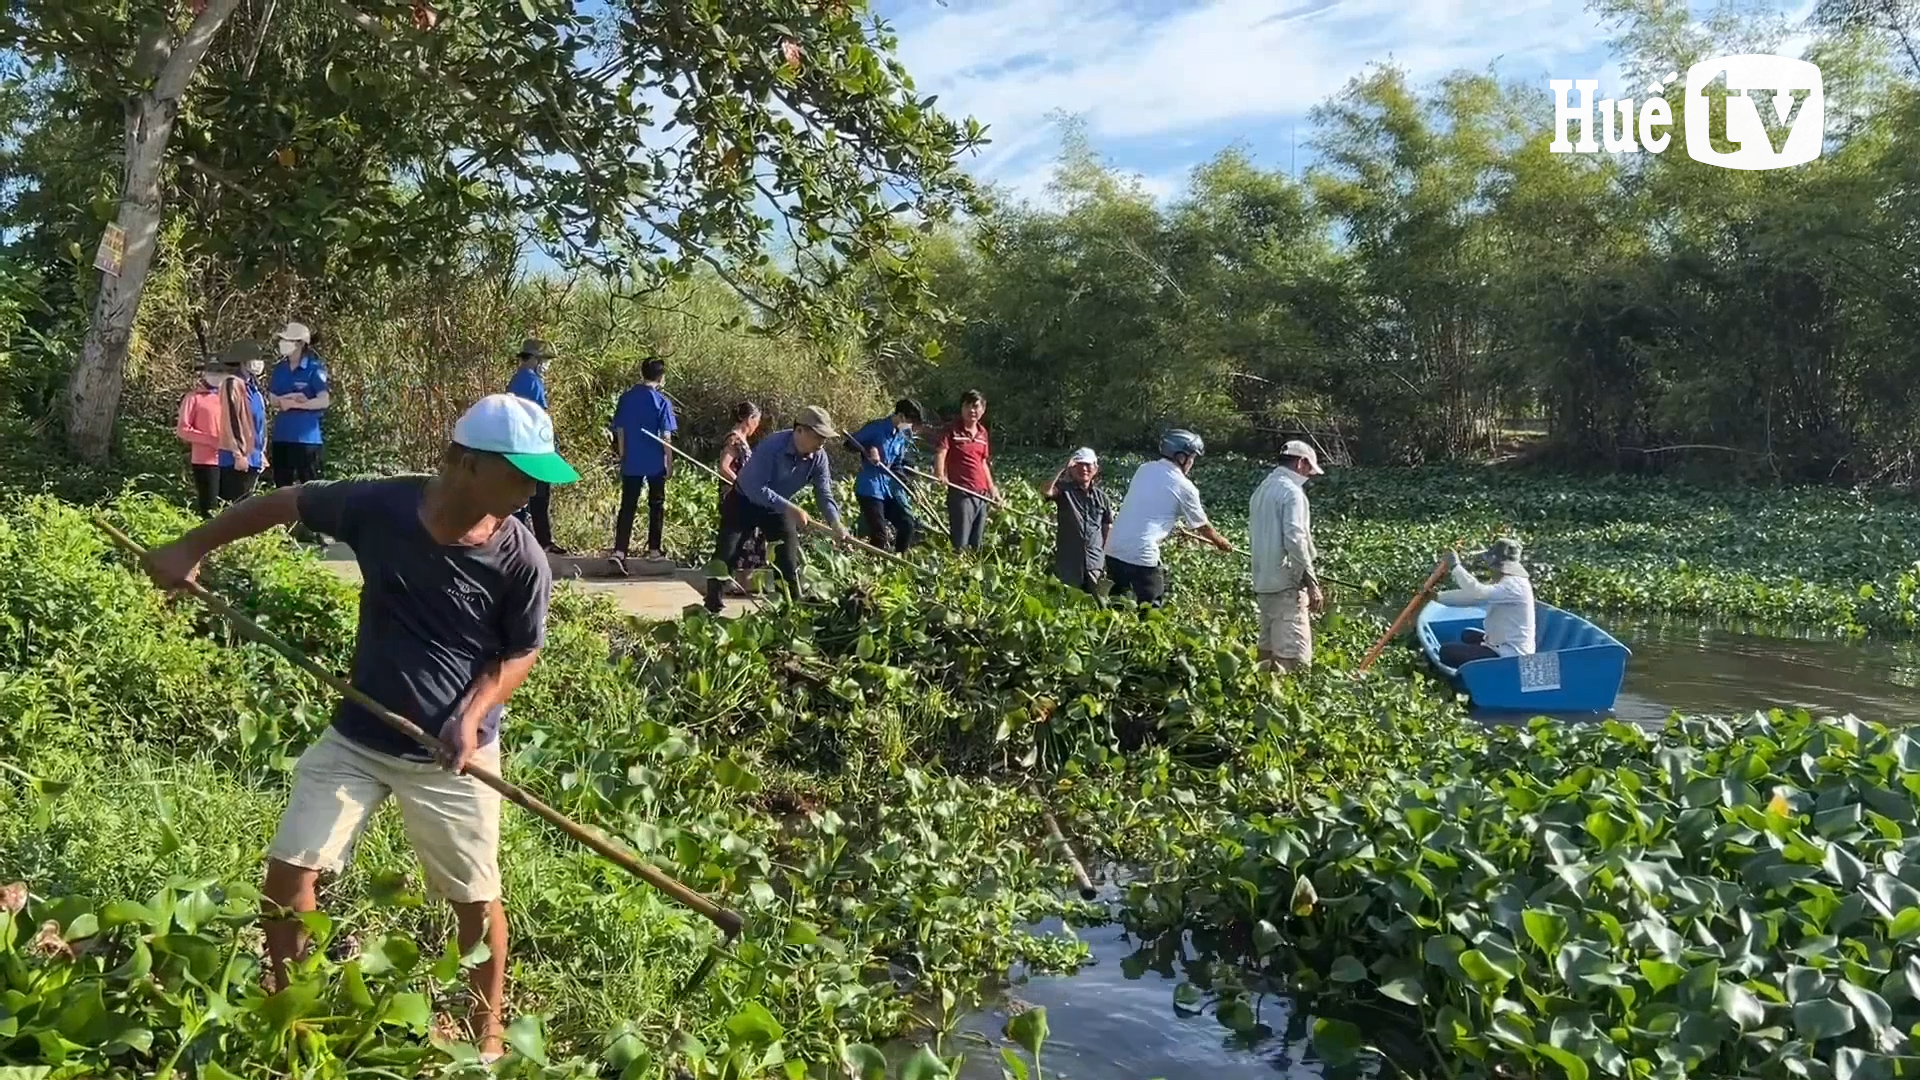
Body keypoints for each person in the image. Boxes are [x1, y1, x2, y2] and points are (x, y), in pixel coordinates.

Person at [137, 393, 578, 1062]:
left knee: (474, 897)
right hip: (358, 740)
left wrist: (471, 716)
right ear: (465, 463)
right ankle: (291, 1007)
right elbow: (282, 502)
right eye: (519, 473)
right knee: (291, 869)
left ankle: (487, 1033)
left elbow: (521, 652)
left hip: (454, 756)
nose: (531, 488)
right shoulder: (380, 506)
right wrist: (191, 546)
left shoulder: (521, 559)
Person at [705, 406, 850, 613]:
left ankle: (788, 612)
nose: (822, 443)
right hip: (745, 500)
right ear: (800, 431)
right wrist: (791, 508)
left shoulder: (819, 457)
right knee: (727, 553)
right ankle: (712, 606)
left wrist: (835, 523)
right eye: (818, 436)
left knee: (787, 560)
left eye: (824, 438)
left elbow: (824, 493)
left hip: (776, 507)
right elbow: (757, 489)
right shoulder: (773, 447)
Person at [1105, 430, 1234, 607]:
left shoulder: (1144, 469)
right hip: (1141, 554)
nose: (1192, 463)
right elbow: (1202, 525)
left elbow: (1149, 504)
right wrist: (1220, 542)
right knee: (1150, 609)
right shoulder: (1185, 486)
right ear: (1181, 457)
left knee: (1118, 602)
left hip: (1113, 548)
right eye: (1192, 458)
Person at [1249, 440, 1328, 672]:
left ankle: (1262, 699)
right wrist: (1311, 583)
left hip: (1263, 583)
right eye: (1309, 470)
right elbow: (1295, 539)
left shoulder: (1262, 490)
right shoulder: (1292, 493)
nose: (1309, 476)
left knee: (1266, 653)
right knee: (1293, 658)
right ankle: (1283, 703)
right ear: (1301, 462)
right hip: (1286, 586)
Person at [609, 357, 675, 567]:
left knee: (627, 505)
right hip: (655, 460)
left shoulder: (626, 398)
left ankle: (620, 550)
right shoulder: (662, 402)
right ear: (661, 377)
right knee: (656, 504)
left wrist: (622, 454)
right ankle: (654, 549)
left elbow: (620, 430)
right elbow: (666, 437)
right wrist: (669, 462)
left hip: (632, 458)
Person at [1431, 539, 1537, 667]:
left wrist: (1456, 567)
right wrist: (1438, 597)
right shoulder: (1508, 582)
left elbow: (1477, 593)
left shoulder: (1512, 585)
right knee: (1467, 634)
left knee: (1446, 651)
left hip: (1510, 655)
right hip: (1503, 644)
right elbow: (1474, 597)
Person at [506, 339, 566, 554]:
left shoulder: (515, 380)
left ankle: (525, 540)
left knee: (523, 495)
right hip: (534, 447)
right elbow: (539, 416)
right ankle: (541, 542)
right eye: (544, 360)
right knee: (538, 496)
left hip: (519, 445)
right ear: (534, 359)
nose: (546, 365)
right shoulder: (532, 381)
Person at [847, 398, 925, 554]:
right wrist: (868, 450)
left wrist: (910, 487)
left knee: (907, 524)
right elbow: (849, 443)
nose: (910, 427)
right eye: (910, 422)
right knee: (880, 535)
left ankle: (898, 561)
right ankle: (872, 567)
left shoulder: (901, 436)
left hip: (887, 490)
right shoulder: (876, 428)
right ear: (901, 417)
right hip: (869, 489)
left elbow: (896, 466)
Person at [267, 321, 330, 488]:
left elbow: (324, 400)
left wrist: (298, 405)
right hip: (282, 437)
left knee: (313, 488)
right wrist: (290, 398)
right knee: (282, 487)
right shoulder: (280, 369)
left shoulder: (314, 368)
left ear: (301, 344)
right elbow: (272, 399)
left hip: (307, 440)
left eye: (288, 341)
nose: (283, 345)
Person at [1043, 447, 1114, 593]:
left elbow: (1107, 527)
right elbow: (1045, 490)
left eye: (1088, 465)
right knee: (1069, 602)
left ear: (1095, 469)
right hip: (1069, 563)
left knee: (1095, 605)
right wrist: (1061, 468)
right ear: (1071, 469)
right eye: (1079, 465)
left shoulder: (1102, 498)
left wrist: (1103, 554)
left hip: (1094, 562)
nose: (1084, 469)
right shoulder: (1063, 491)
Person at [933, 389, 998, 550]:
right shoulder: (951, 430)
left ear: (983, 409)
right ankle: (957, 570)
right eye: (968, 406)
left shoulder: (983, 433)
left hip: (981, 494)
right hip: (961, 493)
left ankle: (972, 572)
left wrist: (992, 489)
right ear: (961, 408)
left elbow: (983, 462)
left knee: (976, 543)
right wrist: (940, 474)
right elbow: (941, 452)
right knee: (960, 541)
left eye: (976, 406)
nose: (972, 410)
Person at [716, 401, 767, 594]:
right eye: (757, 421)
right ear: (749, 419)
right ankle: (726, 580)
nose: (757, 426)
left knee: (751, 537)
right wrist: (740, 482)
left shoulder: (744, 441)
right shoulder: (734, 439)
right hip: (735, 496)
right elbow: (724, 467)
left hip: (747, 496)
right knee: (733, 538)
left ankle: (741, 583)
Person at [175, 353, 229, 517]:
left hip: (230, 460)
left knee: (228, 506)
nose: (215, 376)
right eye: (211, 371)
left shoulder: (229, 397)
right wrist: (210, 440)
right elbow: (183, 429)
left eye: (219, 372)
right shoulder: (193, 398)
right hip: (205, 460)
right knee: (210, 508)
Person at [216, 344, 269, 505]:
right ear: (243, 361)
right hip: (235, 460)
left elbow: (259, 423)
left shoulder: (254, 388)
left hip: (254, 457)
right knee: (233, 508)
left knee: (246, 508)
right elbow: (231, 420)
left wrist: (261, 453)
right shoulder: (232, 384)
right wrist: (238, 454)